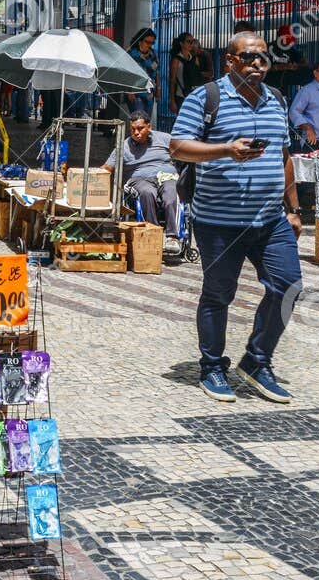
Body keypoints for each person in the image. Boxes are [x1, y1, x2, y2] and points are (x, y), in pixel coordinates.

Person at [170, 31, 299, 405]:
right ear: (229, 61)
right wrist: (226, 149)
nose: (256, 63)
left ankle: (257, 361)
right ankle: (212, 365)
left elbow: (284, 156)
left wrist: (293, 209)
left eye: (262, 58)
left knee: (288, 286)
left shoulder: (276, 100)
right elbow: (178, 146)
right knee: (219, 294)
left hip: (270, 219)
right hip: (218, 222)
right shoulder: (206, 97)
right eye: (247, 57)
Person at [107, 113, 182, 258]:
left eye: (140, 128)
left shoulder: (165, 138)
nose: (136, 132)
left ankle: (173, 237)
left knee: (171, 192)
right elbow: (107, 168)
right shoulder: (124, 147)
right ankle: (154, 233)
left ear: (149, 127)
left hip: (166, 176)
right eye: (133, 129)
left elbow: (184, 152)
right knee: (147, 193)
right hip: (139, 179)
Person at [168, 32, 212, 113]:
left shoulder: (194, 58)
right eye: (189, 41)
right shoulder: (176, 60)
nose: (191, 44)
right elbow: (172, 80)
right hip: (181, 96)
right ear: (181, 43)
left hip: (193, 94)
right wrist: (172, 101)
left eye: (193, 41)